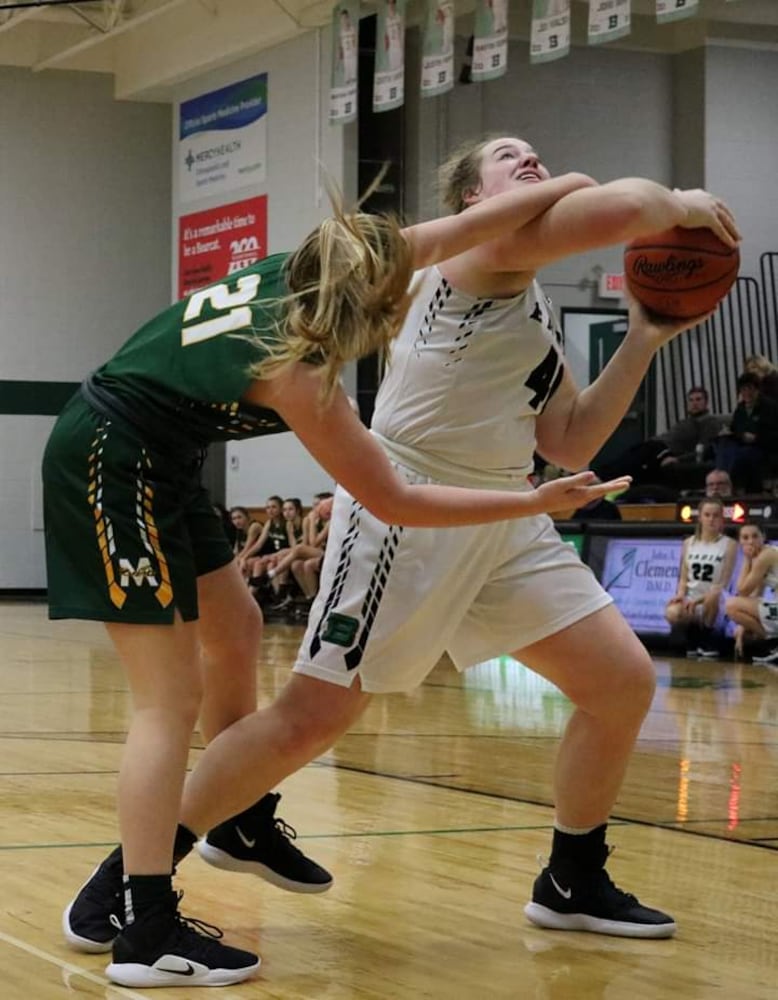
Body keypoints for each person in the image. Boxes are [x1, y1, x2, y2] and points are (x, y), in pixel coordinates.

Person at [67, 135, 740, 953]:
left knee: (621, 682)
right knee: (312, 719)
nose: (529, 159)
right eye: (508, 155)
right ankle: (128, 883)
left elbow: (569, 440)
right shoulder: (486, 250)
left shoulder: (528, 296)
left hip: (501, 514)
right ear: (472, 202)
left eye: (535, 153)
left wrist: (642, 337)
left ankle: (572, 878)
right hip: (408, 513)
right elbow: (630, 207)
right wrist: (684, 206)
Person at [664, 497, 737, 658]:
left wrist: (697, 601)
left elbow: (723, 583)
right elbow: (683, 579)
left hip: (716, 600)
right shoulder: (688, 543)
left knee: (714, 595)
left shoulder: (729, 544)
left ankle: (709, 639)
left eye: (716, 515)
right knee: (672, 611)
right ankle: (691, 637)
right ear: (700, 518)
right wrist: (680, 595)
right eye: (707, 515)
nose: (711, 519)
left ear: (722, 519)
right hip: (692, 599)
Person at [715, 372, 778, 493]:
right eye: (743, 390)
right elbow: (735, 429)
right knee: (723, 446)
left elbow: (774, 435)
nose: (746, 393)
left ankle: (727, 484)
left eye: (750, 389)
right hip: (742, 445)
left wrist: (756, 438)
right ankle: (720, 480)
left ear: (757, 390)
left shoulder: (770, 407)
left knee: (739, 456)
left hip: (763, 448)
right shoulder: (740, 409)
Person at [724, 525, 778, 665]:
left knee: (731, 605)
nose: (750, 542)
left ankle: (772, 645)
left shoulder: (764, 557)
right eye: (745, 538)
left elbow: (742, 591)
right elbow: (754, 597)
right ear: (740, 541)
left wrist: (747, 559)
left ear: (763, 537)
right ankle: (772, 644)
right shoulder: (766, 555)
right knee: (744, 628)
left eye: (755, 536)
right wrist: (743, 626)